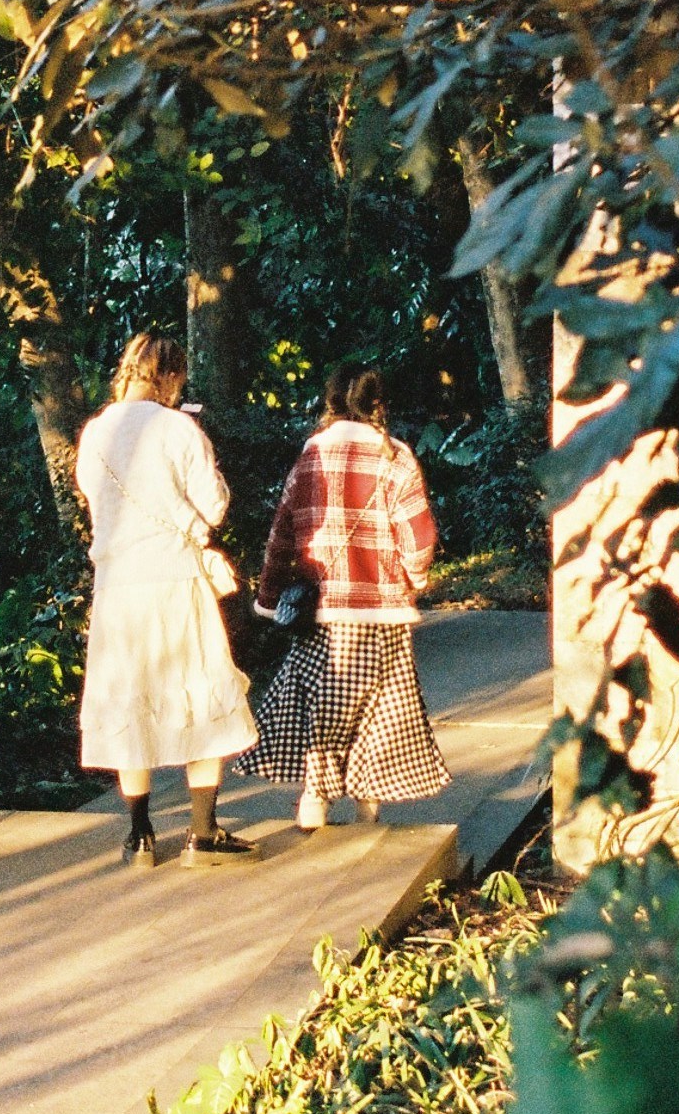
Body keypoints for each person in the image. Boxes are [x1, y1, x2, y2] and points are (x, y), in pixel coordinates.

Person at [75, 328, 260, 867]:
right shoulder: (178, 428)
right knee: (198, 694)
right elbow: (214, 505)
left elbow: (95, 501)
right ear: (171, 375)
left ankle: (139, 835)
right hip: (176, 580)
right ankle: (203, 832)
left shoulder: (95, 433)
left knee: (131, 701)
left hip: (118, 587)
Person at [245, 362, 448, 829]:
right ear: (378, 404)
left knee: (327, 703)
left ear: (331, 402)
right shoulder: (396, 455)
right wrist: (413, 580)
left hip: (323, 609)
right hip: (383, 608)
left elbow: (283, 529)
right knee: (382, 706)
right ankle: (367, 802)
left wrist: (270, 594)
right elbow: (419, 536)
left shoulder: (312, 453)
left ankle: (315, 798)